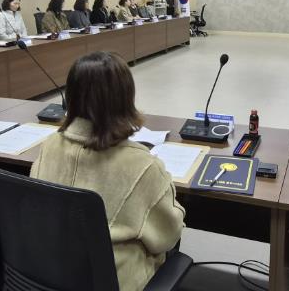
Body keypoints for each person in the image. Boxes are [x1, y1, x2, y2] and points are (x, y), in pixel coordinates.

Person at [30, 52, 185, 291]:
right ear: (125, 98)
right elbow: (167, 236)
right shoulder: (142, 165)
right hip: (113, 281)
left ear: (70, 97)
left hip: (48, 272)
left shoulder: (49, 145)